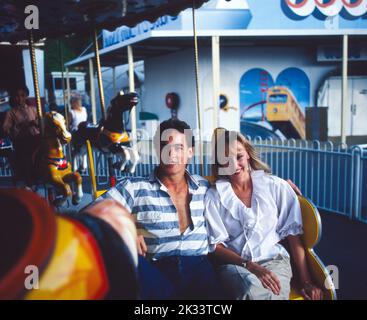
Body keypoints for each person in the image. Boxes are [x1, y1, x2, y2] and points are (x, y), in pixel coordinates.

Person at [86, 118, 223, 299]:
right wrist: (126, 231)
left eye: (179, 148)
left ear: (190, 152)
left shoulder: (205, 187)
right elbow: (89, 216)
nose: (171, 154)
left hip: (199, 269)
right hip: (156, 271)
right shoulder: (134, 188)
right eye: (165, 147)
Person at [204, 129, 323, 300]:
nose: (234, 165)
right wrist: (250, 266)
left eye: (239, 157)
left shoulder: (276, 187)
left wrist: (306, 281)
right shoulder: (214, 197)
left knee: (273, 292)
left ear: (248, 155)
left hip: (275, 261)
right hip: (236, 265)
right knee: (249, 291)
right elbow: (216, 247)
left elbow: (293, 236)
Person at [2, 86, 41, 186]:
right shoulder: (10, 113)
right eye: (17, 96)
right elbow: (5, 128)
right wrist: (18, 126)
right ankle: (29, 180)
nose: (20, 98)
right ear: (14, 97)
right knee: (26, 158)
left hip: (36, 138)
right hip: (22, 141)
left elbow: (41, 122)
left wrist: (36, 122)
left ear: (26, 96)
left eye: (22, 96)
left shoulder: (33, 109)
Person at [69, 95, 88, 171]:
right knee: (78, 149)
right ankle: (78, 165)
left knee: (83, 148)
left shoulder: (83, 109)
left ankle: (82, 165)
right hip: (77, 131)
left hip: (82, 130)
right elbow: (68, 123)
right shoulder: (72, 112)